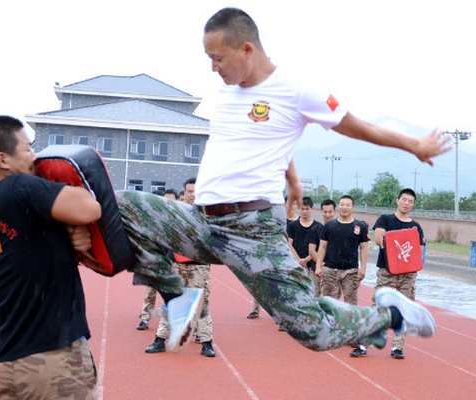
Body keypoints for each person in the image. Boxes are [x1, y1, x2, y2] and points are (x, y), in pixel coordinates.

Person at [115, 7, 448, 355]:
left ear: (247, 49)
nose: (213, 68)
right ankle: (176, 295)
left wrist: (414, 145)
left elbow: (360, 126)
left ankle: (391, 315)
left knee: (314, 332)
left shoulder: (297, 90)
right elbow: (266, 136)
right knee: (120, 205)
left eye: (217, 58)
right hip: (201, 221)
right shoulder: (226, 91)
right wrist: (293, 177)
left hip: (251, 231)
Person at [0, 116, 204, 399]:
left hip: (4, 358)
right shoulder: (20, 186)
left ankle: (175, 295)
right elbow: (90, 209)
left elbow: (34, 253)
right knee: (125, 209)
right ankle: (176, 292)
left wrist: (74, 238)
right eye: (28, 149)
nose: (35, 157)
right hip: (53, 358)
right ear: (3, 160)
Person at [145, 178, 216, 357]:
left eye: (195, 191)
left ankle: (207, 343)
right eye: (189, 191)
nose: (192, 195)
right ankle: (160, 340)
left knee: (202, 304)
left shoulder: (208, 214)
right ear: (184, 193)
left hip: (198, 266)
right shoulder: (176, 212)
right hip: (175, 263)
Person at [370, 188, 425, 360]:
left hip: (408, 275)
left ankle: (397, 347)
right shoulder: (385, 219)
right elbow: (379, 239)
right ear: (397, 200)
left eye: (410, 201)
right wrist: (391, 241)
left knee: (405, 309)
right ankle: (365, 342)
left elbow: (418, 251)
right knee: (378, 306)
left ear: (413, 204)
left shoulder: (415, 227)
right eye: (404, 200)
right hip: (387, 271)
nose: (407, 203)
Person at [315, 195, 370, 357]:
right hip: (330, 269)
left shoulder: (359, 226)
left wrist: (363, 268)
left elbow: (364, 248)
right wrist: (319, 265)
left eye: (348, 205)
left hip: (351, 271)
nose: (344, 207)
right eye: (342, 204)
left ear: (353, 208)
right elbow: (322, 247)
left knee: (351, 304)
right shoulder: (329, 226)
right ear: (338, 207)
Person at [248, 194, 298, 320]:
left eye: (295, 204)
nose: (292, 207)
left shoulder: (299, 222)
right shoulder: (275, 219)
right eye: (289, 204)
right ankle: (255, 309)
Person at [137, 188, 178, 331]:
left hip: (174, 263)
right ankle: (145, 318)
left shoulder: (179, 220)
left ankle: (184, 323)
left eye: (171, 200)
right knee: (150, 291)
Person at [307, 199, 336, 296]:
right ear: (321, 212)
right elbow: (312, 250)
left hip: (333, 270)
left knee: (329, 299)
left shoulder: (338, 229)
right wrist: (320, 264)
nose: (328, 214)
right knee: (314, 297)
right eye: (325, 212)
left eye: (330, 212)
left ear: (334, 211)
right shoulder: (315, 229)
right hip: (316, 269)